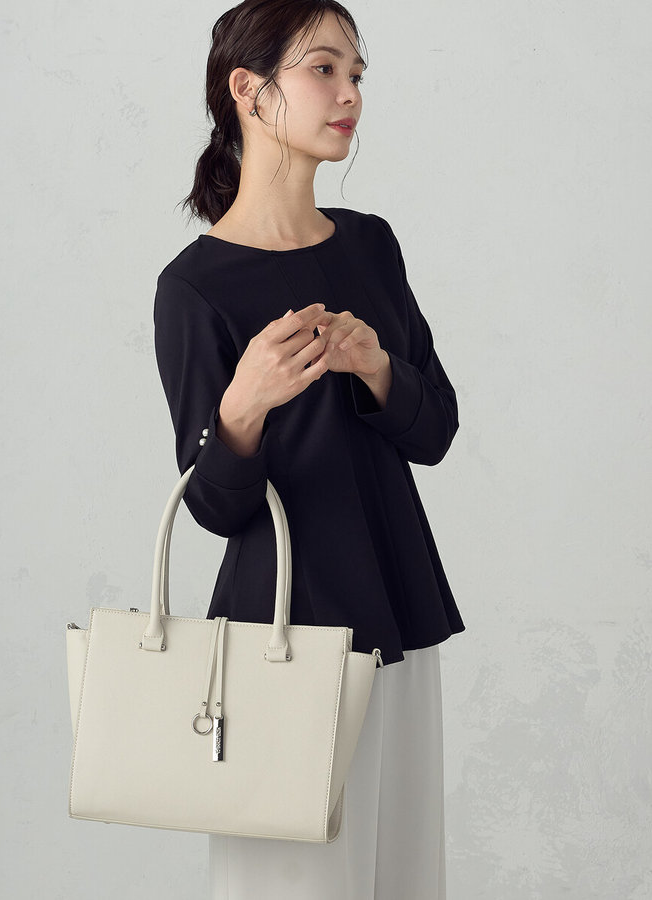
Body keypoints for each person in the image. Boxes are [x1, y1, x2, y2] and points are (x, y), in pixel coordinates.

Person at [153, 2, 465, 897]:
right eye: (324, 69)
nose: (349, 93)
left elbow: (436, 430)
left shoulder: (371, 244)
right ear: (249, 91)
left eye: (356, 73)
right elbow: (215, 507)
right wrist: (242, 407)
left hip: (397, 609)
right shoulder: (195, 286)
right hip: (280, 636)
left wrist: (377, 368)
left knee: (403, 875)